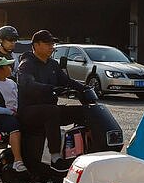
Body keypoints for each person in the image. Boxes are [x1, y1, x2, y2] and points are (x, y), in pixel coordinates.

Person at [14, 29, 89, 173]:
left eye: (52, 44)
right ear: (36, 45)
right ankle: (55, 157)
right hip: (29, 111)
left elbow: (67, 81)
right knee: (52, 111)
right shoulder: (27, 64)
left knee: (83, 111)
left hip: (48, 110)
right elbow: (27, 84)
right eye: (48, 43)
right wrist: (52, 89)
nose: (52, 47)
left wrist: (85, 89)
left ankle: (81, 152)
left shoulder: (53, 64)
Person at [0, 56, 26, 172]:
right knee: (15, 129)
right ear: (0, 70)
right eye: (7, 66)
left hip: (16, 113)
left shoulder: (11, 82)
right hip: (3, 117)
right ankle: (18, 161)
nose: (10, 67)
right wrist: (9, 112)